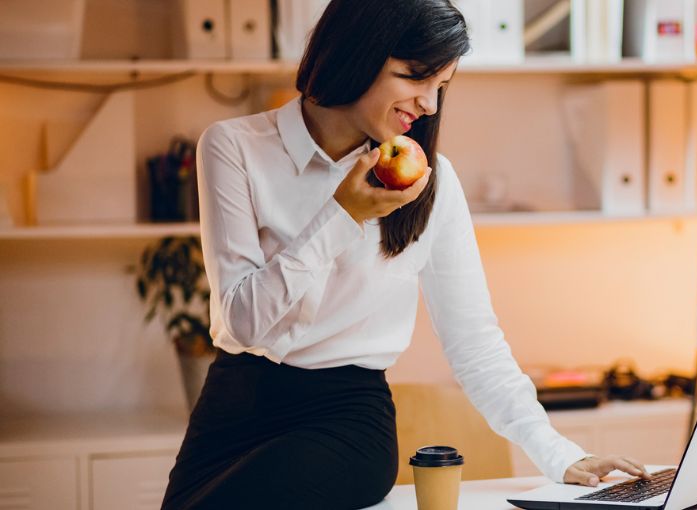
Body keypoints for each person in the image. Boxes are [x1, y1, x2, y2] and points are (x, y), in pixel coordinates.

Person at [160, 1, 651, 508]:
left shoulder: (431, 183)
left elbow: (474, 343)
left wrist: (559, 453)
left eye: (441, 86)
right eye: (416, 77)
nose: (430, 105)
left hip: (346, 420)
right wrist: (343, 214)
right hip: (231, 408)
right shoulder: (233, 148)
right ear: (357, 52)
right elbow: (243, 323)